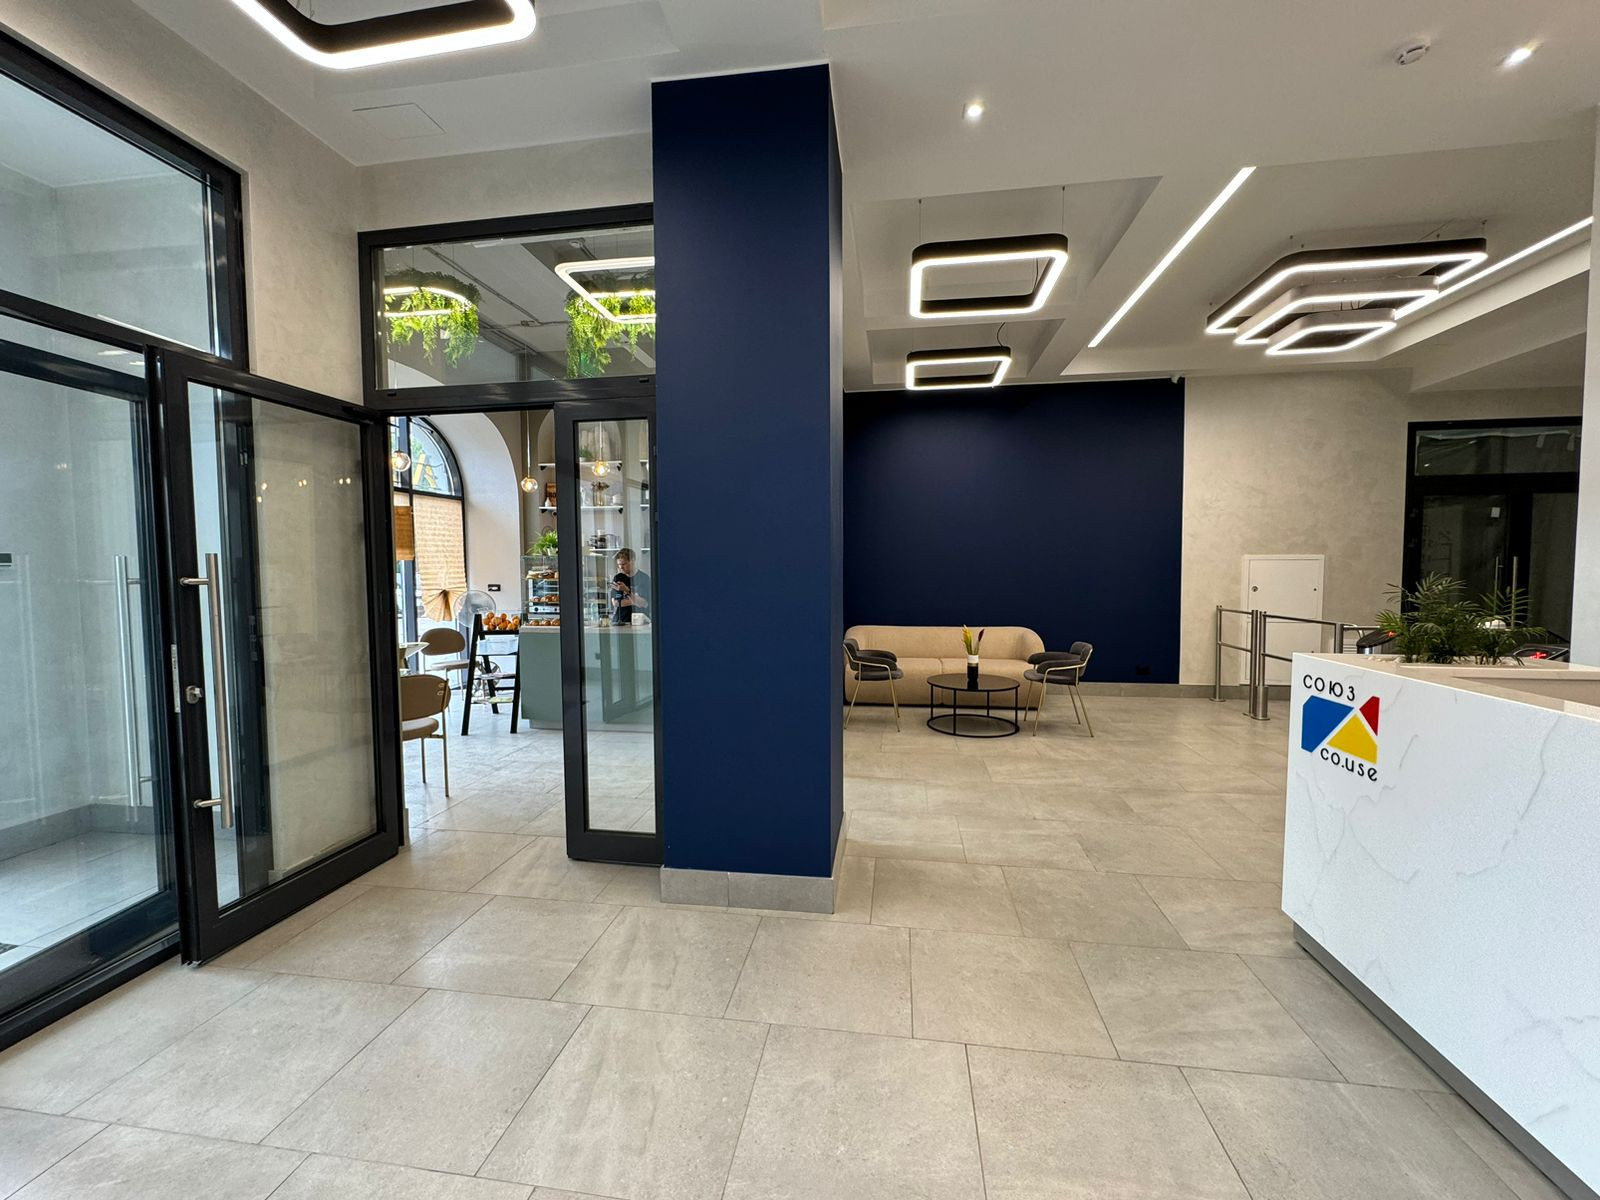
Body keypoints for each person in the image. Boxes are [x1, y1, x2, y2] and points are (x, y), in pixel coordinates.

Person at [610, 547, 650, 624]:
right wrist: (635, 601)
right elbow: (615, 603)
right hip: (620, 620)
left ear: (632, 561)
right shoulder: (618, 578)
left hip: (639, 621)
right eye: (619, 565)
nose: (621, 567)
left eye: (624, 564)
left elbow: (644, 603)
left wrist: (626, 590)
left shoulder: (644, 578)